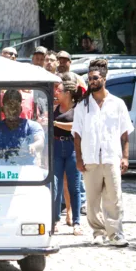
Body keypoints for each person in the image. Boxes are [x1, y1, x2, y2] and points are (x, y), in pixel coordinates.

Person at [72, 59, 133, 247]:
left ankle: (115, 234)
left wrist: (125, 156)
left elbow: (124, 133)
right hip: (90, 159)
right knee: (92, 199)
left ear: (104, 79)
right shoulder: (82, 106)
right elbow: (77, 135)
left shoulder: (118, 104)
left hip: (111, 157)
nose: (92, 81)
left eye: (95, 78)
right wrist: (79, 159)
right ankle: (98, 232)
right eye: (89, 78)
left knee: (114, 197)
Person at [53, 73, 83, 236]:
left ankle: (77, 222)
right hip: (57, 146)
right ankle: (55, 220)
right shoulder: (54, 108)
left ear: (68, 93)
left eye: (60, 90)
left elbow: (75, 126)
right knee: (56, 186)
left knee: (74, 187)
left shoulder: (78, 108)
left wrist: (56, 123)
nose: (57, 93)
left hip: (72, 147)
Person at [0, 90, 45, 166]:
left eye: (15, 108)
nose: (12, 111)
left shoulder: (32, 126)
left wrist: (33, 146)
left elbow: (40, 142)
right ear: (3, 109)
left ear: (20, 109)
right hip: (2, 173)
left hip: (27, 172)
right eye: (9, 108)